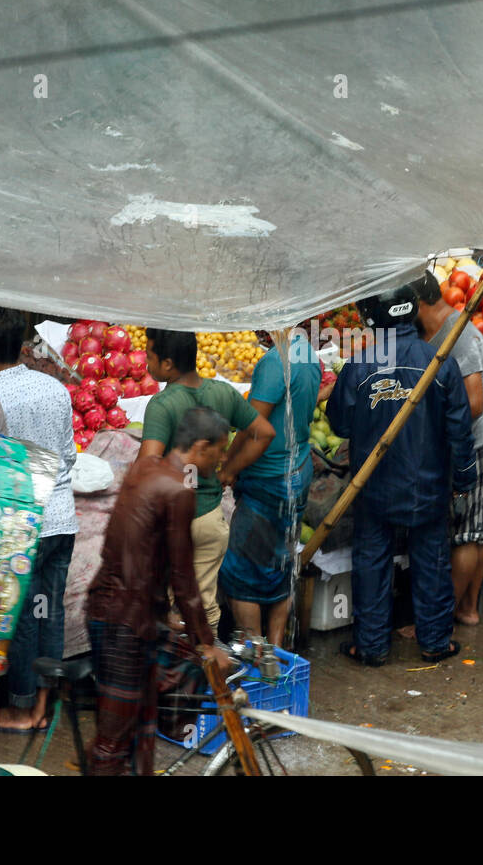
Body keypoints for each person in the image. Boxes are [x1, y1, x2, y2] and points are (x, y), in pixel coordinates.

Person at [326, 285, 477, 665]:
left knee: (372, 563)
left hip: (373, 488)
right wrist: (465, 479)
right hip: (428, 488)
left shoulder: (360, 366)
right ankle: (435, 642)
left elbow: (340, 425)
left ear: (372, 319)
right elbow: (459, 429)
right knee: (432, 562)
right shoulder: (438, 361)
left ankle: (372, 646)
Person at [86, 406, 234, 776]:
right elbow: (184, 577)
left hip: (113, 609)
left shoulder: (147, 467)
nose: (222, 458)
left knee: (136, 722)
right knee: (114, 740)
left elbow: (149, 553)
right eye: (219, 450)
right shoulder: (179, 488)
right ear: (200, 447)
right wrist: (206, 641)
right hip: (125, 620)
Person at [0, 305, 79, 733]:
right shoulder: (54, 387)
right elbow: (69, 455)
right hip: (62, 518)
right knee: (49, 612)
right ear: (21, 345)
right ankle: (45, 705)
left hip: (25, 524)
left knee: (20, 618)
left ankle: (21, 707)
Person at [138, 328, 276, 635]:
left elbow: (147, 463)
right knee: (202, 604)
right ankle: (206, 671)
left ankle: (177, 673)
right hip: (209, 519)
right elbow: (264, 432)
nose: (146, 362)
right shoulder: (223, 393)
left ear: (168, 364)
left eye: (150, 356)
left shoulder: (162, 405)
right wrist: (230, 470)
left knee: (165, 607)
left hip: (173, 521)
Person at [412, 271, 483, 626]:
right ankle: (467, 609)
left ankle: (439, 621)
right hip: (477, 440)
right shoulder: (430, 329)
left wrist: (428, 430)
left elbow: (472, 403)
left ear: (419, 302)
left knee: (468, 535)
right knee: (480, 530)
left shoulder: (461, 336)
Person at [218, 329, 322, 647]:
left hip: (270, 477)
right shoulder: (308, 353)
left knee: (241, 572)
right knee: (281, 562)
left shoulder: (274, 363)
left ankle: (257, 651)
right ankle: (277, 649)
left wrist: (229, 469)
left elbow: (255, 429)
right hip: (298, 468)